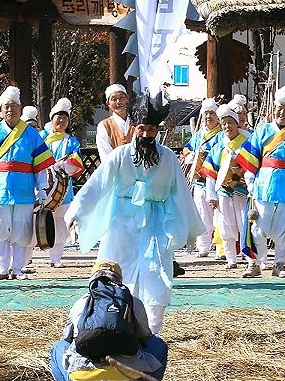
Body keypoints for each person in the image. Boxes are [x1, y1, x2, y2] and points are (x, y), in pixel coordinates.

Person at [66, 91, 203, 333]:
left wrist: (190, 228)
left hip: (155, 222)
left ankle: (151, 332)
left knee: (155, 277)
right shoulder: (119, 156)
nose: (146, 135)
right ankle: (111, 325)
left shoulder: (168, 158)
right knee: (116, 273)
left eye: (151, 129)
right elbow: (98, 184)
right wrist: (76, 211)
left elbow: (180, 193)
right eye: (142, 129)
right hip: (121, 222)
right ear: (134, 128)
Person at [49, 260, 169, 381]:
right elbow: (146, 337)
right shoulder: (133, 302)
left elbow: (68, 338)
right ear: (120, 279)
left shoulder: (81, 303)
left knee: (57, 347)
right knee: (158, 345)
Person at [0, 86, 55, 280]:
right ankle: (1, 268)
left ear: (20, 108)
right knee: (1, 230)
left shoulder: (31, 133)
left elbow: (40, 165)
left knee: (21, 231)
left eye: (14, 106)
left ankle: (18, 269)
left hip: (25, 190)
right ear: (1, 110)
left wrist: (42, 189)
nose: (10, 110)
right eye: (6, 106)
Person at [235, 86, 285, 277]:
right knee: (258, 228)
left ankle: (279, 264)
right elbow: (251, 161)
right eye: (280, 108)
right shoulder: (262, 131)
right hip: (264, 187)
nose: (283, 113)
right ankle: (254, 263)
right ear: (274, 110)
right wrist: (251, 184)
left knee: (284, 230)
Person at [202, 104, 250, 269]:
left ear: (237, 123)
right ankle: (231, 259)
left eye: (230, 122)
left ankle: (250, 258)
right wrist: (211, 195)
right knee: (225, 224)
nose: (227, 126)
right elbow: (211, 172)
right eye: (224, 123)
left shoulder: (248, 142)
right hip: (223, 192)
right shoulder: (218, 146)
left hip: (244, 191)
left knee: (245, 223)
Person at [42, 98, 85, 268]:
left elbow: (77, 163)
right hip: (42, 186)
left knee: (61, 223)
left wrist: (64, 165)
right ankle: (25, 259)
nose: (61, 121)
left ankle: (56, 258)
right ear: (51, 119)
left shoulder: (71, 142)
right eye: (58, 118)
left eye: (64, 118)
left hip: (63, 189)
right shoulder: (41, 138)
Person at [181, 98, 221, 258]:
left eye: (211, 113)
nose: (208, 117)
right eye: (205, 114)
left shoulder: (221, 135)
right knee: (202, 215)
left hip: (218, 182)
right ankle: (203, 247)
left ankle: (221, 248)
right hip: (199, 181)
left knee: (220, 215)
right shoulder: (199, 135)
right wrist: (191, 156)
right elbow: (186, 150)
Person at [96, 83, 132, 160]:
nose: (118, 102)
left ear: (127, 99)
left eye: (121, 97)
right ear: (108, 103)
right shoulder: (104, 126)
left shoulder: (137, 122)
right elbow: (106, 156)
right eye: (114, 99)